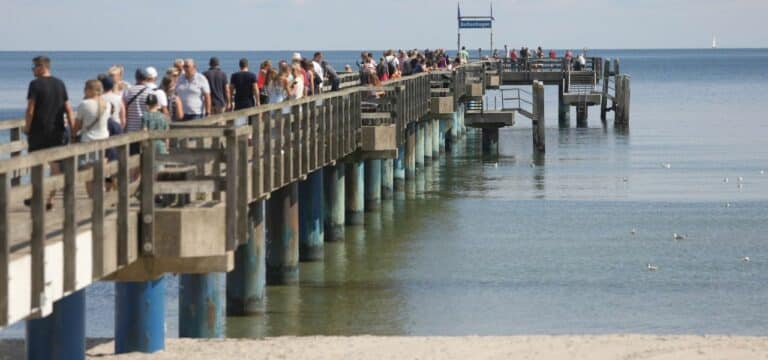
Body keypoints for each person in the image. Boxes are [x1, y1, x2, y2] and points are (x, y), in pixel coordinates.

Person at [24, 55, 74, 209]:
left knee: (35, 164)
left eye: (34, 67)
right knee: (55, 166)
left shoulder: (35, 84)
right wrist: (73, 130)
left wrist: (27, 127)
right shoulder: (60, 84)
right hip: (57, 131)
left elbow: (31, 109)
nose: (32, 70)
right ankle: (51, 198)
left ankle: (35, 196)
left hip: (38, 131)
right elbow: (69, 109)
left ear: (42, 67)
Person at [74, 79, 111, 196]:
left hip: (88, 141)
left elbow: (77, 126)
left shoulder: (84, 104)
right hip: (104, 139)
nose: (84, 91)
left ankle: (91, 198)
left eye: (85, 89)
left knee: (88, 172)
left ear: (90, 90)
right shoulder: (107, 104)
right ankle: (102, 191)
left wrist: (72, 135)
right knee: (100, 169)